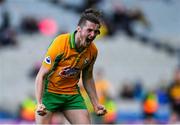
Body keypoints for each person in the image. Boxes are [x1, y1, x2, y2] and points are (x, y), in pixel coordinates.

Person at [35, 8, 107, 124]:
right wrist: (39, 103)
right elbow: (41, 75)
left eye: (96, 32)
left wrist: (96, 104)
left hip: (71, 95)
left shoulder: (93, 51)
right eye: (89, 30)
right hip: (49, 94)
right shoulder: (60, 43)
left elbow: (87, 78)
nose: (92, 35)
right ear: (78, 29)